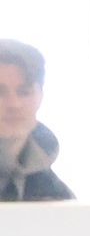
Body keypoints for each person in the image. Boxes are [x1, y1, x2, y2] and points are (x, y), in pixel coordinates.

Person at [0, 41, 74, 202]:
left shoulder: (56, 195)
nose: (14, 104)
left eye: (24, 92)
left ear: (40, 97)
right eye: (0, 92)